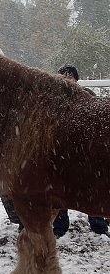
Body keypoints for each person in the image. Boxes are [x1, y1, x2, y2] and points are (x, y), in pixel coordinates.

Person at [53, 64, 109, 238]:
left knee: (92, 187)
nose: (67, 79)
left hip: (87, 152)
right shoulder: (55, 101)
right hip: (63, 152)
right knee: (60, 188)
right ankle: (60, 226)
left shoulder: (88, 96)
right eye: (64, 76)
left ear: (76, 80)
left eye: (71, 76)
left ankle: (98, 225)